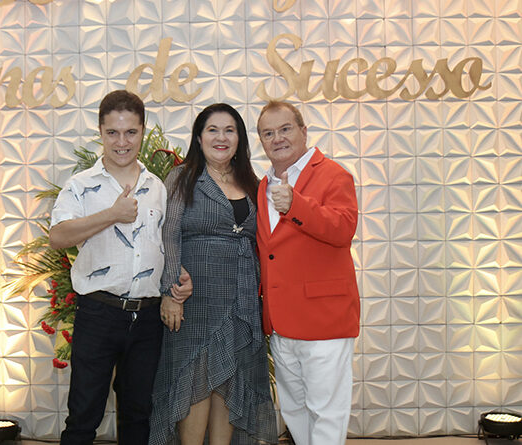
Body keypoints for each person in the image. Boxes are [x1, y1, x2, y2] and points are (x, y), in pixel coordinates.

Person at [48, 90, 192, 445]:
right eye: (113, 132)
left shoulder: (157, 187)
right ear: (100, 131)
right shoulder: (81, 185)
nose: (122, 142)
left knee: (138, 415)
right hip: (98, 313)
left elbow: (164, 244)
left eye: (130, 132)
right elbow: (58, 236)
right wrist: (112, 214)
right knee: (83, 416)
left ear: (142, 131)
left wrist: (178, 278)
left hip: (147, 318)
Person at [150, 103, 278, 445]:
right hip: (194, 298)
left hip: (242, 299)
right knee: (194, 378)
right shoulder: (183, 177)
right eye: (213, 130)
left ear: (239, 139)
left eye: (229, 130)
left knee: (232, 379)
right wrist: (170, 292)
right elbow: (168, 234)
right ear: (199, 137)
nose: (221, 137)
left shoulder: (252, 182)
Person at [255, 101, 360, 445]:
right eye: (268, 133)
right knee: (294, 410)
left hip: (323, 319)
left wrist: (296, 205)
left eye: (285, 129)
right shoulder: (262, 185)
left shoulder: (333, 174)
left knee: (326, 412)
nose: (278, 139)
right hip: (281, 323)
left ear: (303, 131)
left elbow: (343, 229)